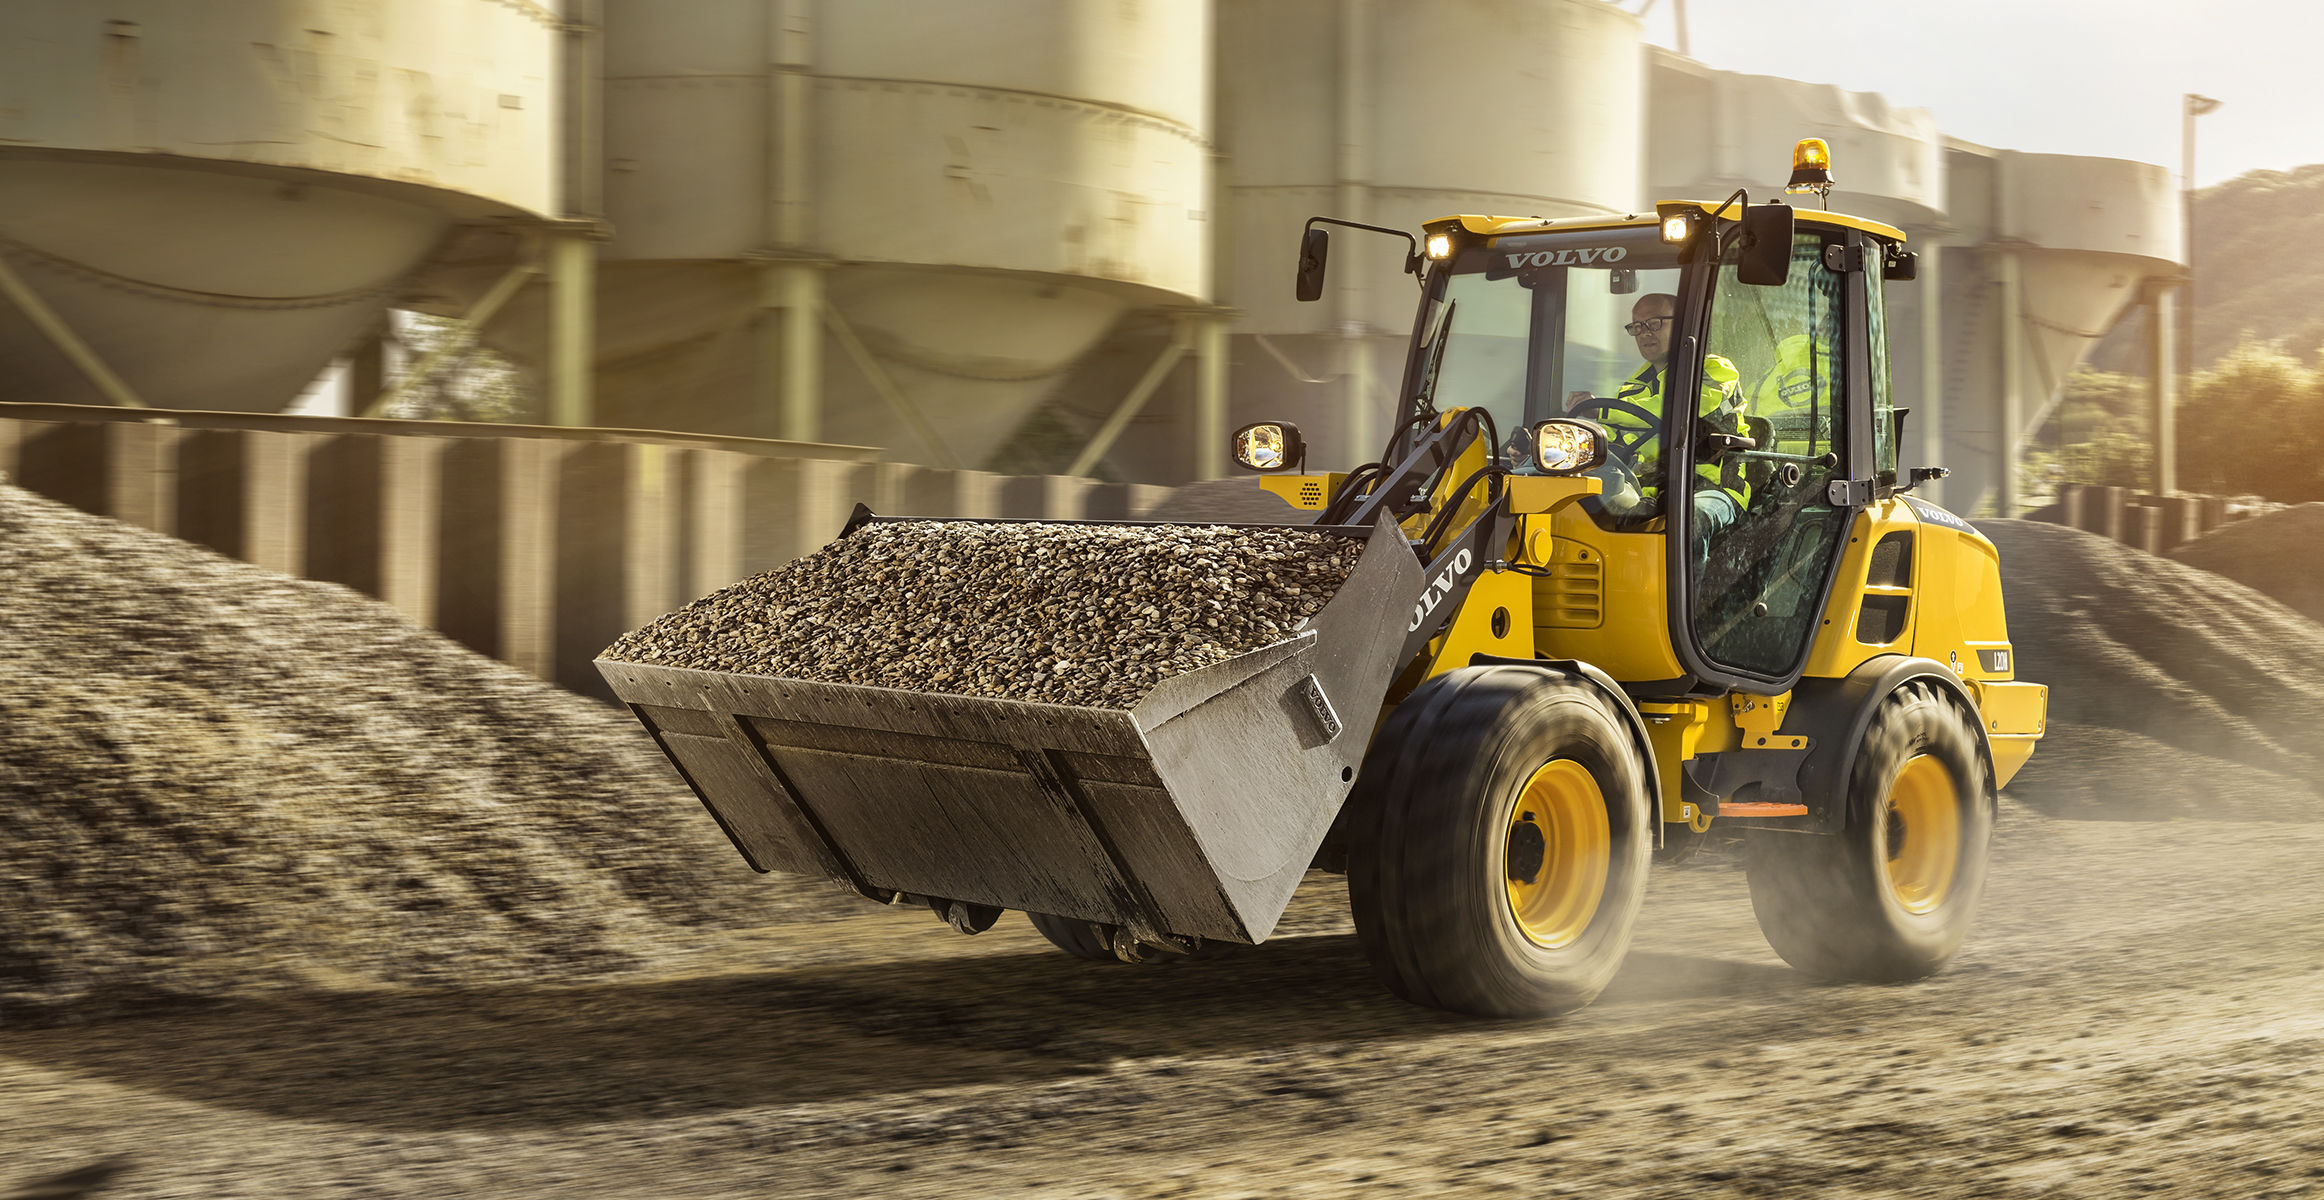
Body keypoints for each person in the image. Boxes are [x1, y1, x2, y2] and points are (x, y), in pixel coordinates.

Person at [1567, 293, 1749, 562]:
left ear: (1683, 323)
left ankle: (1686, 588)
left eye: (1654, 323)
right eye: (1637, 326)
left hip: (1711, 487)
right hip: (1650, 491)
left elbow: (1679, 407)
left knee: (1688, 519)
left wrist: (1603, 410)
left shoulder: (1714, 368)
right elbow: (1615, 443)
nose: (1644, 333)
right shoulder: (1632, 388)